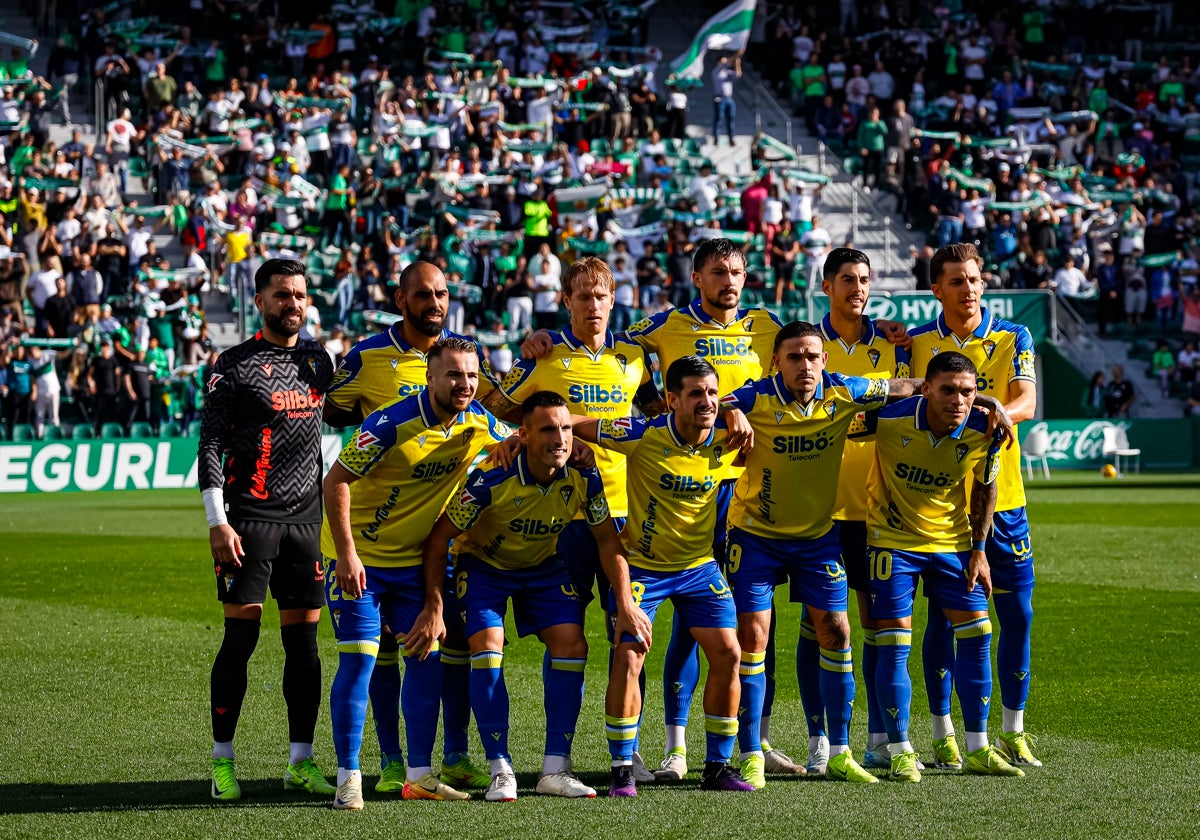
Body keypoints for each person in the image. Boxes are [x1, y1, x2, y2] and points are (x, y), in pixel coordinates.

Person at [322, 261, 498, 794]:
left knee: (424, 654)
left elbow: (515, 435)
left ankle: (417, 775)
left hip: (418, 559)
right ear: (429, 374)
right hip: (361, 557)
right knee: (362, 660)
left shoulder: (475, 418)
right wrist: (348, 554)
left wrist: (576, 441)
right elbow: (335, 479)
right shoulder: (391, 420)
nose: (465, 383)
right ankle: (350, 774)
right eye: (454, 376)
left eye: (471, 376)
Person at [419, 391, 646, 801]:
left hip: (542, 568)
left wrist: (626, 603)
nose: (560, 439)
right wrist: (435, 604)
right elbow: (438, 541)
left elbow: (608, 542)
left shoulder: (584, 476)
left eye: (565, 428)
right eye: (547, 429)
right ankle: (500, 769)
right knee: (488, 646)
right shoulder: (491, 480)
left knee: (572, 644)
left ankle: (555, 769)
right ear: (522, 435)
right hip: (485, 567)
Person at [721, 320, 919, 788]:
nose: (804, 365)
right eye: (794, 357)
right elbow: (716, 401)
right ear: (777, 362)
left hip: (817, 538)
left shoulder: (843, 390)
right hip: (755, 536)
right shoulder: (754, 396)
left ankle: (840, 750)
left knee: (836, 630)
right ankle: (750, 751)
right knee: (753, 636)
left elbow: (902, 387)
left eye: (812, 356)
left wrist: (982, 399)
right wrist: (731, 410)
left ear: (824, 360)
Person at [574, 356, 754, 796]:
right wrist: (565, 435)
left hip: (698, 568)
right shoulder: (640, 435)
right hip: (643, 568)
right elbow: (574, 420)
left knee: (730, 653)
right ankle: (622, 768)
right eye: (695, 394)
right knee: (630, 654)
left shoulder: (731, 437)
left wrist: (736, 409)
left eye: (712, 394)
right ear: (671, 400)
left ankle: (717, 764)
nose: (706, 402)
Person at [197, 258, 336, 801]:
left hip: (307, 522)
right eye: (282, 294)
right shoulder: (233, 365)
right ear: (259, 301)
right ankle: (222, 761)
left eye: (300, 294)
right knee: (240, 642)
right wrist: (217, 521)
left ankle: (300, 761)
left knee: (304, 649)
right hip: (250, 522)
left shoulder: (317, 360)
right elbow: (210, 443)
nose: (293, 303)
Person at [908, 243, 1042, 770]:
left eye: (975, 279)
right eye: (957, 281)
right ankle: (942, 733)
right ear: (936, 289)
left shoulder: (1014, 336)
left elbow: (1026, 402)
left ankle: (1014, 730)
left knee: (1019, 616)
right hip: (939, 506)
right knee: (944, 619)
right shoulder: (915, 343)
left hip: (1002, 501)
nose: (968, 289)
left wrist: (992, 414)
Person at [865, 350, 1023, 782]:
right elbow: (839, 408)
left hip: (952, 544)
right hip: (891, 542)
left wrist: (979, 550)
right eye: (948, 390)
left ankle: (978, 747)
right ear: (927, 388)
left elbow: (986, 489)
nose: (959, 400)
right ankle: (899, 750)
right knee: (895, 642)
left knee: (978, 633)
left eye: (969, 392)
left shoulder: (985, 429)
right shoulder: (889, 417)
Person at [803, 248, 912, 773]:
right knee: (820, 621)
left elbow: (909, 407)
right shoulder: (805, 346)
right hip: (818, 508)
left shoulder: (893, 345)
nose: (858, 288)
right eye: (847, 279)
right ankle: (819, 737)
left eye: (865, 280)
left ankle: (874, 737)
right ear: (827, 286)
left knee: (875, 622)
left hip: (876, 509)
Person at [711, 54, 742, 146]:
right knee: (719, 118)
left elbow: (738, 74)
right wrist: (736, 54)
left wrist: (737, 63)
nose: (725, 62)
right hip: (719, 98)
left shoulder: (727, 73)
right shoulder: (716, 71)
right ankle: (716, 137)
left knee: (731, 118)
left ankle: (731, 138)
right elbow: (725, 64)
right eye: (723, 61)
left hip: (729, 98)